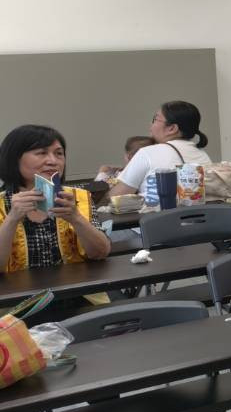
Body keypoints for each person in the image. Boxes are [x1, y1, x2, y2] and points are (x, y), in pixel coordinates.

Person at [1, 125, 110, 283]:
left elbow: (100, 253)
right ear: (14, 158)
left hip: (76, 290)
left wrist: (76, 218)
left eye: (59, 153)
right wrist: (11, 219)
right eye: (41, 153)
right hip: (16, 295)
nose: (53, 161)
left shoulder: (77, 197)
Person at [108, 100, 212, 203]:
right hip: (198, 213)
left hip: (155, 214)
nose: (150, 123)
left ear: (172, 128)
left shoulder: (148, 153)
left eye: (155, 119)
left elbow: (115, 197)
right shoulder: (202, 155)